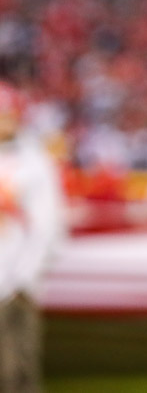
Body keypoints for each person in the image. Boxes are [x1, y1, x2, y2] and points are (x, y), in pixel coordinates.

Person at [0, 82, 67, 392]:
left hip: (18, 278)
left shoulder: (35, 162)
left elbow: (48, 223)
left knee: (18, 365)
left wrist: (26, 275)